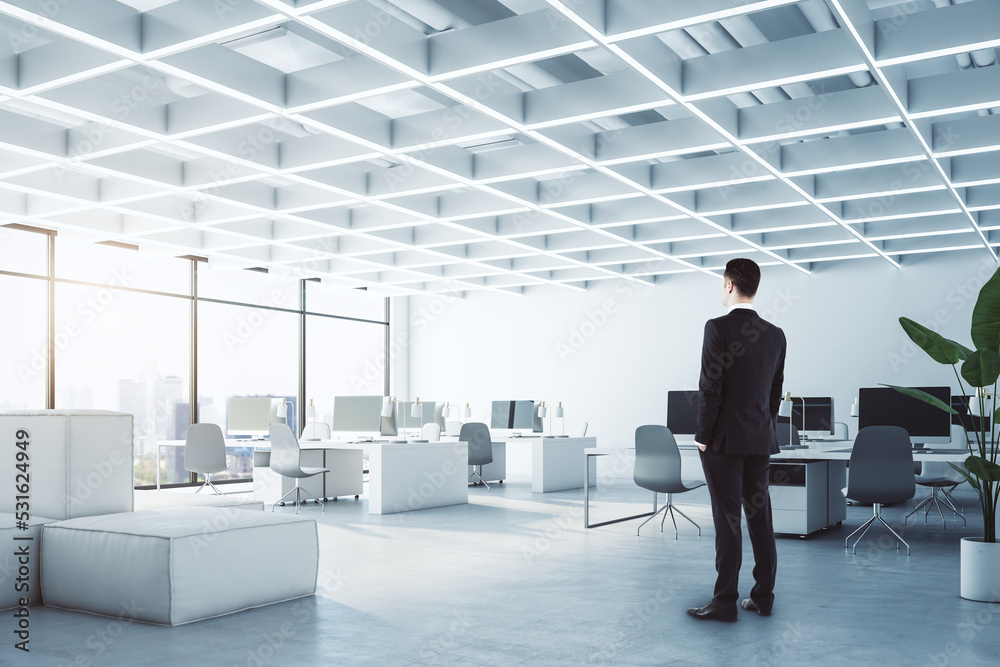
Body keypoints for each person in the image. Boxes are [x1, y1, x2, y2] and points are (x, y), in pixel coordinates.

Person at [686, 258, 786, 622]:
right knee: (760, 518)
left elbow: (709, 387)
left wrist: (702, 436)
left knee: (727, 520)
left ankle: (726, 602)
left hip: (723, 443)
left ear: (729, 285)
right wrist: (765, 427)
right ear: (754, 287)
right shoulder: (776, 334)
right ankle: (763, 597)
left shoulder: (717, 327)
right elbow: (775, 393)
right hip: (760, 439)